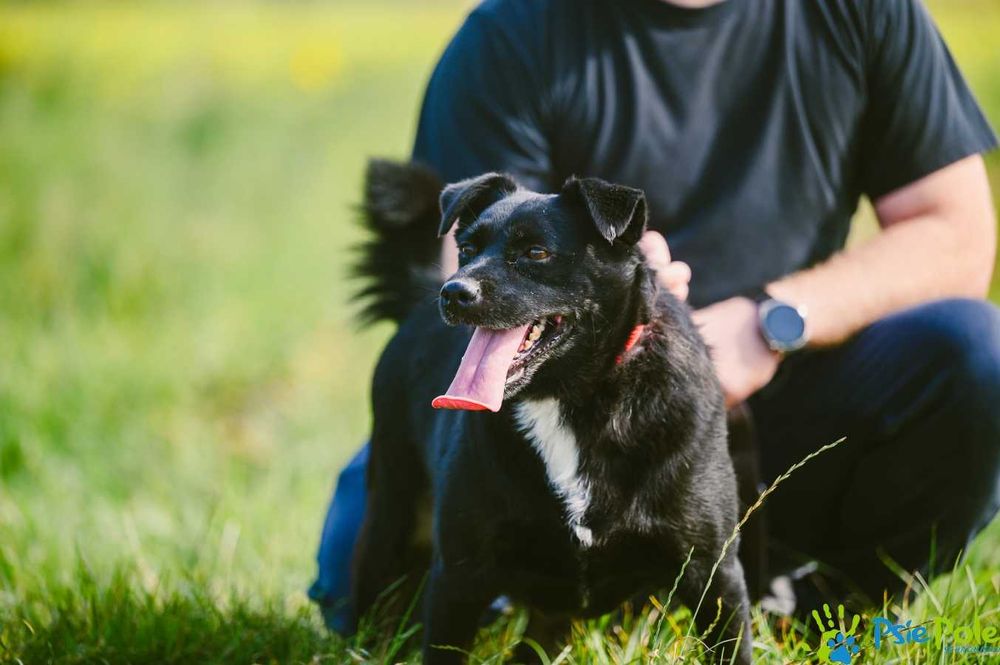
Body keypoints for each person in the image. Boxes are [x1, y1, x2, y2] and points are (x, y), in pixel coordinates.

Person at [310, 0, 1000, 633]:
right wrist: (620, 308)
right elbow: (476, 269)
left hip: (790, 396)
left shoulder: (860, 13)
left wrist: (771, 323)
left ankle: (819, 600)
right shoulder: (513, 30)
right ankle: (543, 592)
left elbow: (958, 234)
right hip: (550, 405)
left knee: (980, 355)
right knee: (360, 588)